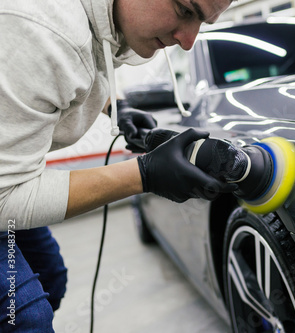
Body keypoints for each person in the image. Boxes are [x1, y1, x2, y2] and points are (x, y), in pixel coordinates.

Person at [0, 0, 234, 330]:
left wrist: (115, 106)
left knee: (49, 275)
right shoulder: (41, 31)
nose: (188, 40)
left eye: (203, 23)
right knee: (24, 316)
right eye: (185, 9)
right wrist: (143, 174)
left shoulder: (101, 17)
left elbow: (86, 61)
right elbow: (3, 197)